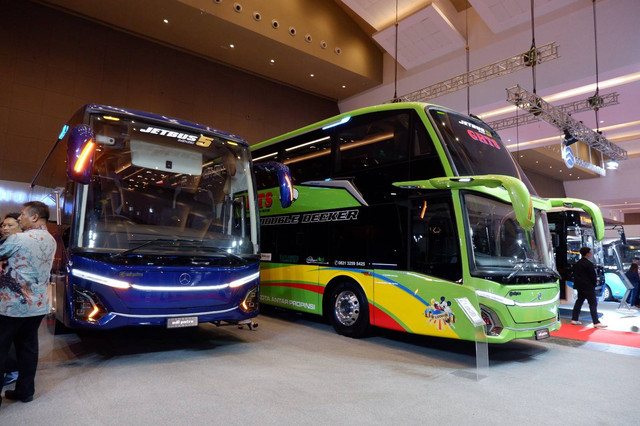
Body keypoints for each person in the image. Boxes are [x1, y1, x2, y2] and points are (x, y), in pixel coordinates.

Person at [0, 202, 56, 406]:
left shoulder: (18, 239)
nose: (20, 218)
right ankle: (25, 392)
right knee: (28, 349)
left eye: (23, 214)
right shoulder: (51, 240)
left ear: (34, 217)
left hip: (12, 306)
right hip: (38, 305)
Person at [0, 213, 22, 387]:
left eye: (10, 225)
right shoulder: (4, 243)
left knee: (12, 336)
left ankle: (14, 369)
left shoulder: (21, 245)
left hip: (14, 298)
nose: (5, 228)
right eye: (3, 225)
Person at [571, 247, 607, 328]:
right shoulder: (589, 264)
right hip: (588, 286)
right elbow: (593, 276)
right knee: (593, 303)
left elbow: (575, 276)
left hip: (580, 286)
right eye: (590, 252)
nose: (591, 254)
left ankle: (574, 319)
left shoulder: (577, 264)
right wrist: (594, 285)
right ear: (587, 253)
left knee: (579, 302)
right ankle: (596, 322)